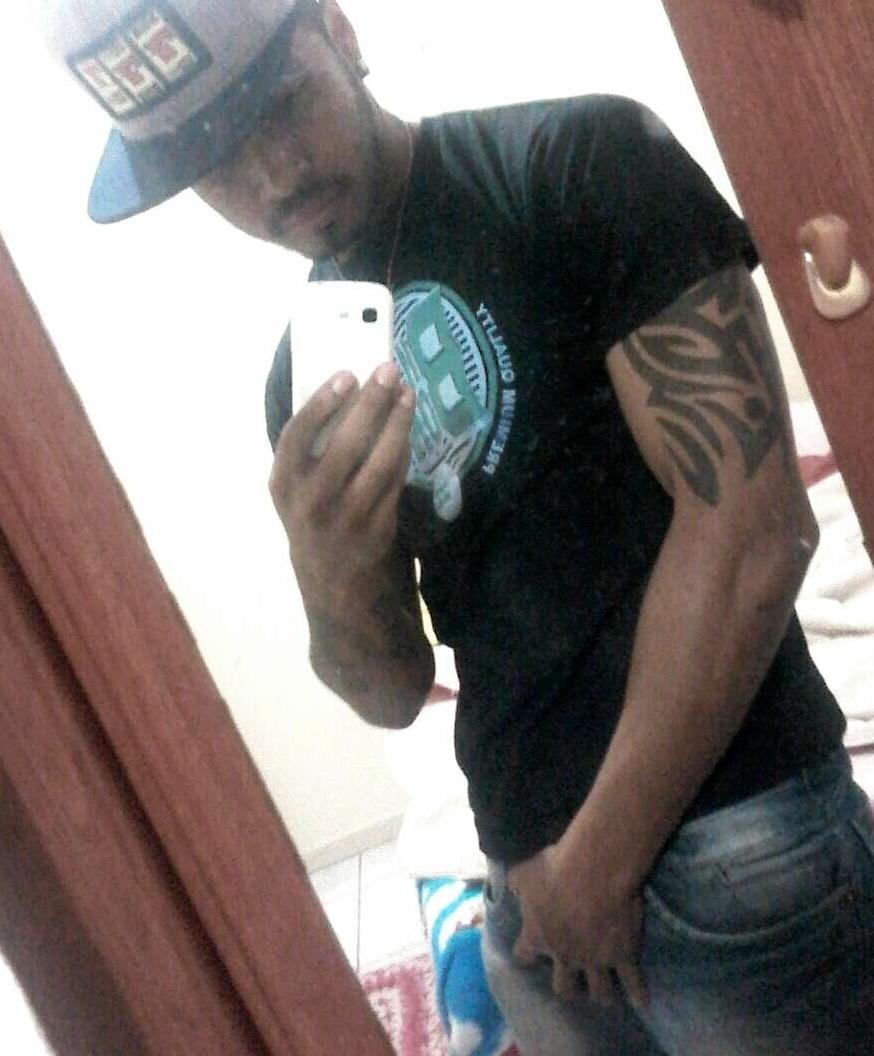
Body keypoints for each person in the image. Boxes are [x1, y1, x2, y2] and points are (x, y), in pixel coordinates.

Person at [43, 0, 874, 1052]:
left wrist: (596, 866)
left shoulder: (579, 158)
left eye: (281, 104)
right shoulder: (305, 381)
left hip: (737, 838)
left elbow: (755, 532)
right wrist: (325, 572)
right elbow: (391, 693)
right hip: (526, 883)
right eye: (210, 163)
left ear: (340, 34)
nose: (271, 177)